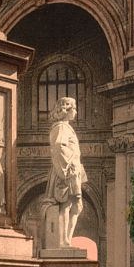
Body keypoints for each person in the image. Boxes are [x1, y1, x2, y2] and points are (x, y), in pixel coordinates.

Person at [43, 97, 87, 247]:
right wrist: (67, 170)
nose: (76, 111)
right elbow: (58, 147)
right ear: (66, 110)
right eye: (74, 108)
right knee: (66, 205)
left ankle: (67, 239)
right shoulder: (61, 126)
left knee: (76, 206)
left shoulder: (67, 127)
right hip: (66, 171)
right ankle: (63, 241)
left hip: (73, 170)